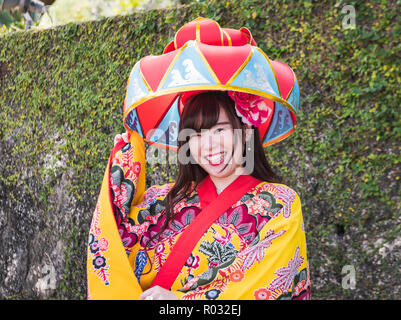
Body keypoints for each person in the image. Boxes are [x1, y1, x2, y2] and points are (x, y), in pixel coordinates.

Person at [87, 17, 310, 300]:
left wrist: (178, 303)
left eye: (220, 129)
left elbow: (267, 289)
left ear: (244, 131)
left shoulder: (280, 205)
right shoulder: (165, 201)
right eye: (197, 134)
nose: (209, 145)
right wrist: (127, 157)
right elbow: (115, 242)